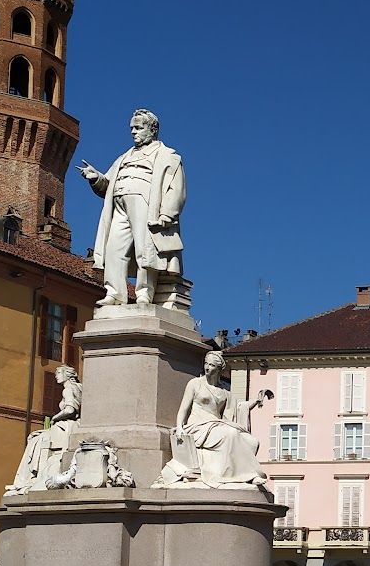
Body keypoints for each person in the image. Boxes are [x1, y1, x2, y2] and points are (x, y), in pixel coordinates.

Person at [79, 109, 185, 307]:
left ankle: (144, 292)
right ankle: (114, 293)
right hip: (118, 206)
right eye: (132, 128)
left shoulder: (167, 156)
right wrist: (96, 178)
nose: (133, 132)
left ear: (152, 129)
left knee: (146, 250)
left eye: (138, 128)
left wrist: (166, 214)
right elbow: (107, 184)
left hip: (146, 204)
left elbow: (175, 189)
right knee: (113, 249)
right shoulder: (123, 157)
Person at [153, 350, 268, 489]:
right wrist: (179, 427)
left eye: (212, 365)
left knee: (251, 441)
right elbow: (183, 408)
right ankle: (247, 475)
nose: (207, 368)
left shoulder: (224, 390)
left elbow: (237, 408)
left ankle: (243, 476)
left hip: (217, 425)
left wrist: (255, 401)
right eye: (206, 364)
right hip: (197, 426)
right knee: (230, 434)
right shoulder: (195, 383)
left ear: (219, 369)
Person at [5, 366, 81, 494]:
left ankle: (25, 480)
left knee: (35, 439)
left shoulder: (68, 389)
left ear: (67, 375)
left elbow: (69, 410)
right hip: (74, 425)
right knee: (37, 437)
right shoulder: (79, 388)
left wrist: (54, 418)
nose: (56, 375)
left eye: (58, 373)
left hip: (65, 426)